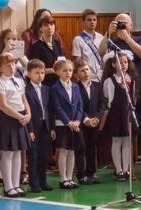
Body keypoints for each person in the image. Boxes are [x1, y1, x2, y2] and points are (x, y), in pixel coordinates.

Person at [0, 53, 31, 199]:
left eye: (13, 64)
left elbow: (24, 100)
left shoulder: (19, 80)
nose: (11, 67)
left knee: (17, 152)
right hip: (7, 118)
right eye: (7, 65)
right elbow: (3, 104)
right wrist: (20, 116)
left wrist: (28, 114)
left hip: (20, 118)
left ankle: (16, 185)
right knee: (7, 153)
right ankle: (8, 186)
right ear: (0, 68)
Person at [100, 50, 137, 181]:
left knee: (127, 141)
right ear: (114, 65)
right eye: (120, 63)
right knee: (117, 141)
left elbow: (133, 98)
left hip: (127, 113)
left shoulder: (130, 79)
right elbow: (108, 100)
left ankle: (126, 169)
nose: (124, 65)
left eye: (126, 62)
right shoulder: (109, 81)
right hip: (115, 114)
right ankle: (119, 169)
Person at [51, 59, 84, 190]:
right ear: (58, 72)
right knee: (63, 151)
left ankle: (70, 177)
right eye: (64, 70)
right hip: (62, 124)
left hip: (74, 124)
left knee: (72, 151)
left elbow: (80, 104)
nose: (68, 73)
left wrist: (77, 120)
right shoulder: (55, 88)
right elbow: (57, 107)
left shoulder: (75, 86)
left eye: (70, 70)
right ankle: (63, 179)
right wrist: (68, 121)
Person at [23, 59, 53, 193]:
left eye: (42, 73)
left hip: (45, 127)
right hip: (33, 128)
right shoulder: (26, 90)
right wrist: (29, 129)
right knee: (33, 156)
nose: (40, 75)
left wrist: (52, 127)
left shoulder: (46, 89)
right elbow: (26, 110)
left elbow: (49, 109)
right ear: (29, 74)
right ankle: (34, 183)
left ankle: (43, 181)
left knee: (44, 155)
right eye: (36, 73)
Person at [74, 60, 104, 184]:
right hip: (82, 122)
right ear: (76, 74)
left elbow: (102, 103)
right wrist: (85, 119)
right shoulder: (75, 87)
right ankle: (81, 175)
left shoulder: (97, 85)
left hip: (94, 122)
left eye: (87, 69)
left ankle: (91, 173)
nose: (86, 72)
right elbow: (77, 106)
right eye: (82, 70)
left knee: (92, 147)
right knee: (81, 148)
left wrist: (97, 117)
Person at [99, 13, 141, 78]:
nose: (121, 25)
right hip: (120, 80)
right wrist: (108, 33)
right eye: (118, 23)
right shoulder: (113, 42)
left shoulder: (139, 39)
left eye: (124, 23)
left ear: (131, 26)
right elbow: (101, 52)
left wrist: (127, 38)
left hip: (138, 79)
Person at [27, 15, 63, 86]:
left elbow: (60, 60)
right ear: (40, 28)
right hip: (43, 84)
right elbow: (33, 69)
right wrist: (52, 70)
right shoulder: (36, 46)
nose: (49, 27)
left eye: (51, 24)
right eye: (46, 25)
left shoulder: (56, 43)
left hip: (58, 82)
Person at [72, 9, 104, 82]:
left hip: (101, 75)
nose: (92, 22)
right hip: (88, 77)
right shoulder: (78, 39)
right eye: (89, 20)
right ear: (83, 21)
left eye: (94, 20)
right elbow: (77, 61)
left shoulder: (101, 37)